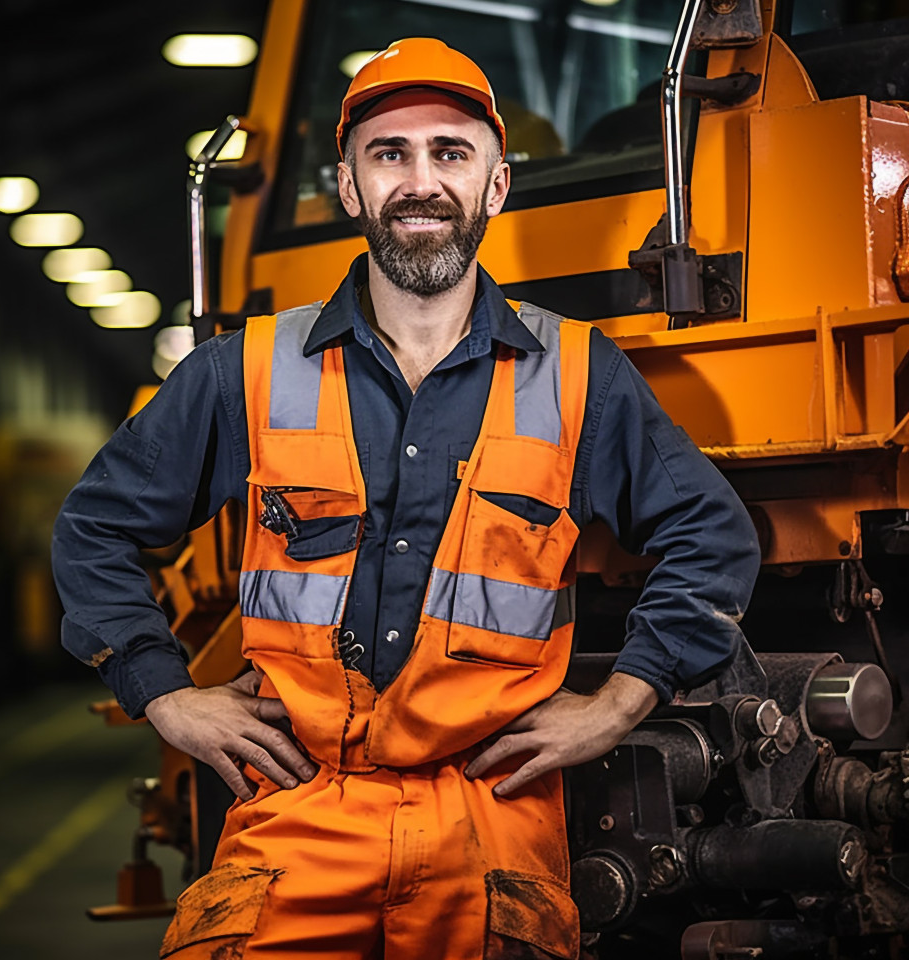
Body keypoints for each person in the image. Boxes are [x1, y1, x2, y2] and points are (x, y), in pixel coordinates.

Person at [52, 38, 760, 960]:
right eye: (389, 154)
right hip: (299, 810)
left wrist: (619, 703)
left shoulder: (582, 376)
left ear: (495, 185)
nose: (419, 181)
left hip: (490, 816)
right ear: (349, 188)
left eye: (449, 152)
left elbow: (712, 537)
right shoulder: (248, 371)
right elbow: (94, 529)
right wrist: (167, 696)